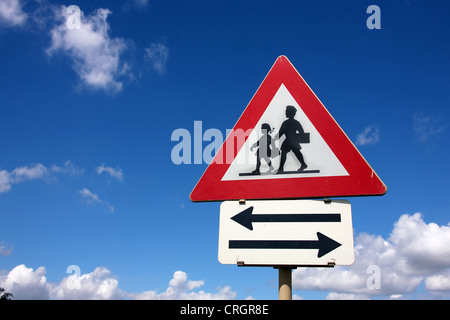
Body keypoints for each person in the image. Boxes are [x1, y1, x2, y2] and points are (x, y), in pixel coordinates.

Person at [275, 105, 308, 173]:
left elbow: (280, 133)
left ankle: (281, 168)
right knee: (296, 152)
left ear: (290, 113)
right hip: (293, 140)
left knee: (286, 153)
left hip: (289, 141)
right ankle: (303, 164)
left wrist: (275, 138)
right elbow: (301, 132)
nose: (285, 113)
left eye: (286, 112)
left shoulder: (286, 123)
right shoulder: (296, 122)